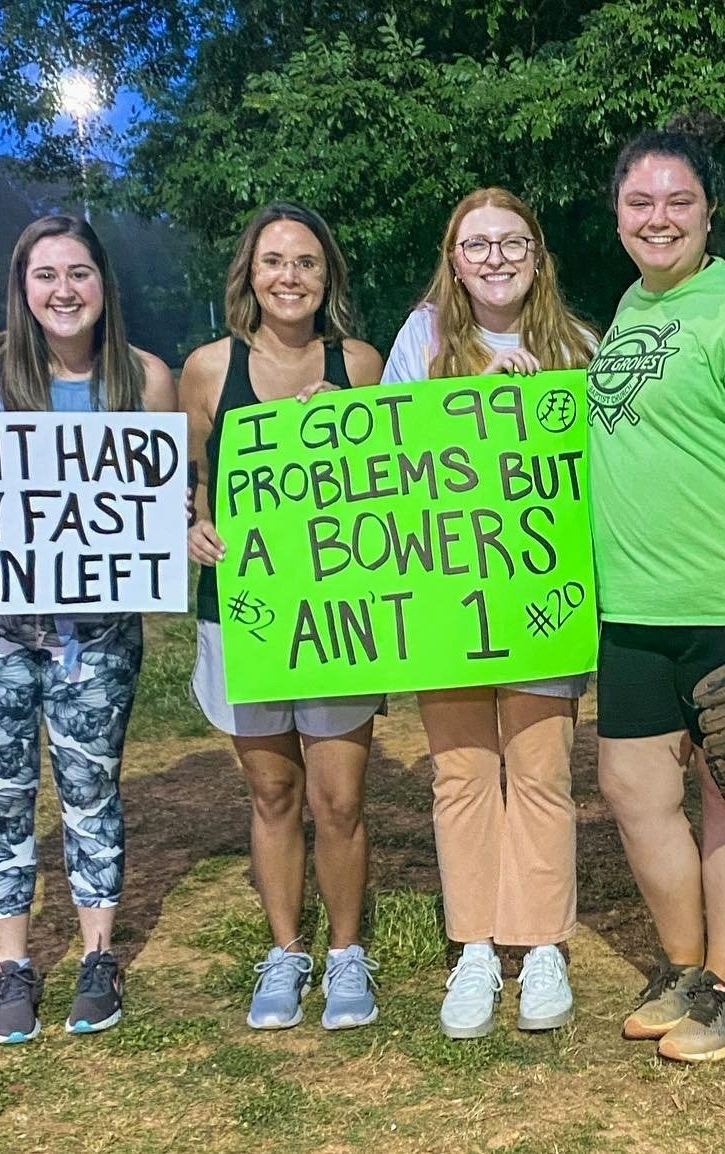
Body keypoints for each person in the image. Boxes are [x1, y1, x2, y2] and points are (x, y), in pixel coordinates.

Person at [589, 117, 725, 1063]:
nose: (660, 217)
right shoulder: (626, 314)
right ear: (617, 215)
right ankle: (682, 967)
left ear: (710, 212)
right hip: (632, 607)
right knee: (633, 789)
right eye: (641, 202)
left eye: (680, 200)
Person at [382, 187, 596, 1040]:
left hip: (540, 598)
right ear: (454, 258)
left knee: (541, 773)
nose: (496, 258)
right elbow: (389, 450)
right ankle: (474, 944)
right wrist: (470, 396)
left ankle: (541, 941)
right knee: (463, 775)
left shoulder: (582, 343)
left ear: (538, 255)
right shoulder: (421, 338)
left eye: (513, 243)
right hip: (448, 598)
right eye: (478, 245)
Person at [183, 203, 385, 1031]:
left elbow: (396, 482)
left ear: (327, 275)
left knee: (338, 799)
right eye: (273, 262)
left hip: (336, 611)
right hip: (243, 611)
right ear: (250, 276)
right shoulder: (206, 369)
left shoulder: (362, 365)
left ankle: (345, 956)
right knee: (272, 791)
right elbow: (192, 481)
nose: (290, 277)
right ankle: (285, 950)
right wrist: (192, 527)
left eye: (306, 262)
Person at [0, 214, 176, 1042]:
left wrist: (179, 518)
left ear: (105, 285)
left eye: (79, 273)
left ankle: (96, 953)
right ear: (23, 287)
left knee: (90, 791)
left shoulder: (144, 378)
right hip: (3, 631)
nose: (63, 291)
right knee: (5, 799)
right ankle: (13, 963)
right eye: (46, 275)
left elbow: (165, 502)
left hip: (99, 635)